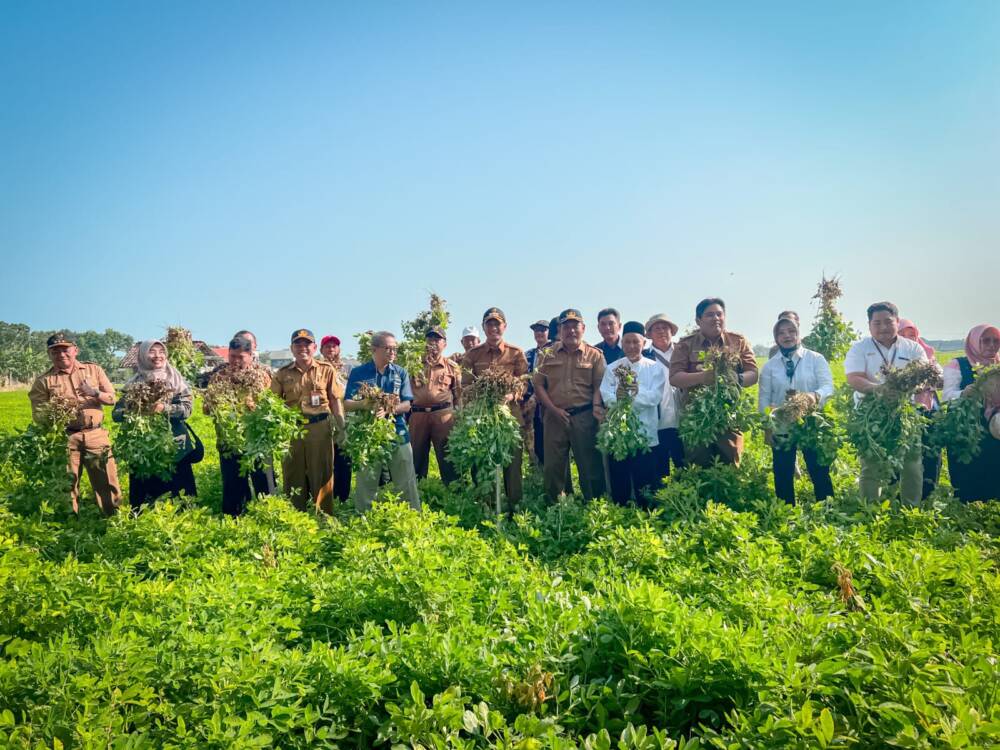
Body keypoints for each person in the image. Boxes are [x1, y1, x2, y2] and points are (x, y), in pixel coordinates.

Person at [28, 332, 122, 516]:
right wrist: (56, 413)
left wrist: (94, 392)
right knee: (66, 484)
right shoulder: (43, 381)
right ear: (49, 355)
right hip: (65, 438)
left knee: (107, 481)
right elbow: (38, 415)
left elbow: (112, 398)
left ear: (75, 350)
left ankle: (113, 519)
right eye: (55, 351)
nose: (61, 354)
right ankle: (70, 523)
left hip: (96, 435)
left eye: (65, 349)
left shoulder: (93, 370)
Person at [845, 302, 929, 504]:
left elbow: (924, 377)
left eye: (888, 322)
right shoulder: (860, 349)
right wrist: (878, 390)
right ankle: (870, 508)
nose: (882, 327)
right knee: (870, 464)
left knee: (912, 463)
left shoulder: (913, 348)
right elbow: (854, 377)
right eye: (877, 323)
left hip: (905, 413)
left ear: (897, 322)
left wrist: (904, 390)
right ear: (869, 325)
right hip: (870, 413)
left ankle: (911, 508)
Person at [670, 298, 758, 466]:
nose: (716, 318)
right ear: (698, 320)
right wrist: (702, 377)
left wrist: (737, 379)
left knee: (731, 466)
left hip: (728, 416)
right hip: (696, 419)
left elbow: (753, 373)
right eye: (710, 315)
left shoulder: (738, 341)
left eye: (719, 314)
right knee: (698, 467)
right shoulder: (685, 345)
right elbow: (675, 378)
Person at [113, 339, 197, 510]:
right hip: (142, 450)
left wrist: (163, 408)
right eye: (152, 351)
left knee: (179, 498)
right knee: (145, 499)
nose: (157, 356)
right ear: (143, 355)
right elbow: (116, 414)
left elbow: (187, 410)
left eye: (161, 351)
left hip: (175, 449)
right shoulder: (133, 384)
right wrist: (135, 410)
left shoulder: (176, 380)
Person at [758, 317, 835, 503]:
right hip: (782, 425)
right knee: (783, 471)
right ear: (776, 338)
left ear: (799, 333)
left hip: (811, 423)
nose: (787, 336)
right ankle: (786, 513)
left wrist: (813, 396)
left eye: (791, 331)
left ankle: (826, 508)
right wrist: (767, 427)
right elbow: (764, 399)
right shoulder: (770, 367)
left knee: (818, 469)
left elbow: (828, 387)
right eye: (781, 333)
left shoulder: (815, 359)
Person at [532, 309, 606, 501]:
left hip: (584, 417)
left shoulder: (595, 355)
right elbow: (538, 385)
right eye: (566, 327)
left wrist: (597, 409)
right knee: (553, 466)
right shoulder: (546, 354)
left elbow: (599, 386)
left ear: (583, 328)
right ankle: (557, 506)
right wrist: (553, 409)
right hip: (554, 416)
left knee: (589, 464)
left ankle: (594, 505)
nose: (571, 331)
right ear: (560, 329)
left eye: (575, 326)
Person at [270, 329, 345, 513]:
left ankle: (324, 516)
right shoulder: (281, 374)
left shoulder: (326, 370)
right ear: (292, 348)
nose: (302, 348)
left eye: (306, 344)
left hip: (320, 427)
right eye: (298, 344)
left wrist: (342, 428)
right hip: (292, 429)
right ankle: (297, 517)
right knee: (292, 473)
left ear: (314, 347)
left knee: (322, 472)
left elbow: (335, 400)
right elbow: (273, 403)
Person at [345, 330, 421, 510]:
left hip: (398, 434)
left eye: (395, 349)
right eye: (388, 348)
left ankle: (412, 518)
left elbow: (407, 404)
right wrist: (365, 404)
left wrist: (389, 408)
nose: (393, 352)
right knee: (366, 481)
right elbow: (347, 403)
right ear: (374, 349)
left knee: (406, 482)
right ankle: (363, 518)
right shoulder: (359, 373)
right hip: (368, 436)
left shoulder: (400, 373)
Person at [462, 308, 530, 504]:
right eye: (489, 324)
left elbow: (524, 383)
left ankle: (514, 509)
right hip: (481, 418)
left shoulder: (516, 353)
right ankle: (487, 508)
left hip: (510, 418)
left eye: (497, 324)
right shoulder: (473, 355)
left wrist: (511, 395)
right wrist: (478, 396)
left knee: (513, 465)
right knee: (484, 464)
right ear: (483, 328)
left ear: (505, 327)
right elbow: (464, 385)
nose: (493, 328)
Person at [204, 334, 276, 517]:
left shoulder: (262, 376)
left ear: (251, 355)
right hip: (229, 441)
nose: (235, 361)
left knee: (264, 484)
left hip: (258, 440)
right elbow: (206, 408)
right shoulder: (219, 376)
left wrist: (256, 407)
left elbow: (274, 407)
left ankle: (267, 517)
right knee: (233, 486)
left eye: (240, 357)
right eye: (232, 356)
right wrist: (216, 405)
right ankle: (235, 522)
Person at [600, 322, 665, 506]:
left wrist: (630, 395)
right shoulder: (613, 368)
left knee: (645, 479)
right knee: (619, 476)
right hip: (619, 433)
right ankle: (620, 512)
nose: (631, 346)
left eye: (636, 342)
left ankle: (646, 513)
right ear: (623, 344)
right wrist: (619, 398)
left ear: (643, 343)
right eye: (627, 342)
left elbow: (654, 397)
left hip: (645, 433)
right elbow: (607, 395)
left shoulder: (655, 368)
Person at [942, 324, 1000, 501]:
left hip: (994, 428)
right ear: (974, 341)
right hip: (966, 428)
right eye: (986, 340)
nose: (992, 345)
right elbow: (947, 396)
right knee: (969, 472)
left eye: (996, 341)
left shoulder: (997, 366)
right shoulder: (959, 364)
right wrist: (964, 393)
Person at [409, 327, 462, 483]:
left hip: (443, 417)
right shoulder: (414, 364)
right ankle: (417, 492)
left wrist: (459, 417)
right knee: (416, 457)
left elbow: (458, 395)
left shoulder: (451, 366)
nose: (433, 342)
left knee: (448, 457)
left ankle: (453, 492)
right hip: (418, 416)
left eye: (437, 339)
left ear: (444, 344)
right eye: (430, 339)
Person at [897, 318, 943, 498]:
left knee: (930, 450)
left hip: (929, 408)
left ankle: (928, 491)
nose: (909, 339)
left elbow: (940, 379)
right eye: (903, 335)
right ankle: (900, 491)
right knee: (905, 452)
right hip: (904, 409)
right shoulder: (893, 357)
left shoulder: (927, 354)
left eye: (912, 335)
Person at [642, 313, 685, 479]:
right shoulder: (644, 356)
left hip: (682, 422)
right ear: (650, 334)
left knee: (685, 466)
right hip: (656, 424)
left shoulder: (683, 352)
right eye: (656, 329)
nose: (661, 332)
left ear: (672, 331)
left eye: (665, 328)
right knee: (659, 471)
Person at [321, 334, 352, 501]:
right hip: (324, 421)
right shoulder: (318, 368)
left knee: (343, 460)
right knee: (325, 462)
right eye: (327, 346)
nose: (331, 349)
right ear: (321, 350)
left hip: (343, 420)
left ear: (339, 349)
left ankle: (343, 498)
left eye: (334, 346)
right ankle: (325, 498)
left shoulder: (347, 370)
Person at [525, 320, 551, 464]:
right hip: (532, 407)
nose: (539, 333)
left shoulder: (555, 350)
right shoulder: (528, 354)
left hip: (550, 403)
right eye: (536, 330)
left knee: (551, 443)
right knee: (536, 444)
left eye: (543, 330)